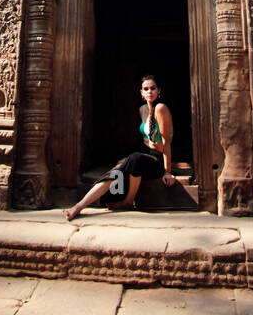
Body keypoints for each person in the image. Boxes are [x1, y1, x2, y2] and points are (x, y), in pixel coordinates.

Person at [64, 73, 176, 221]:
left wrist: (167, 172)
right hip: (146, 155)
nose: (150, 91)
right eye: (146, 89)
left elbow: (166, 142)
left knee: (134, 159)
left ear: (159, 91)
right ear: (141, 92)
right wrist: (149, 143)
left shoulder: (161, 109)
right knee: (118, 169)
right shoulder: (142, 110)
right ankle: (80, 206)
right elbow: (146, 137)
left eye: (153, 88)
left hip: (159, 160)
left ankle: (128, 201)